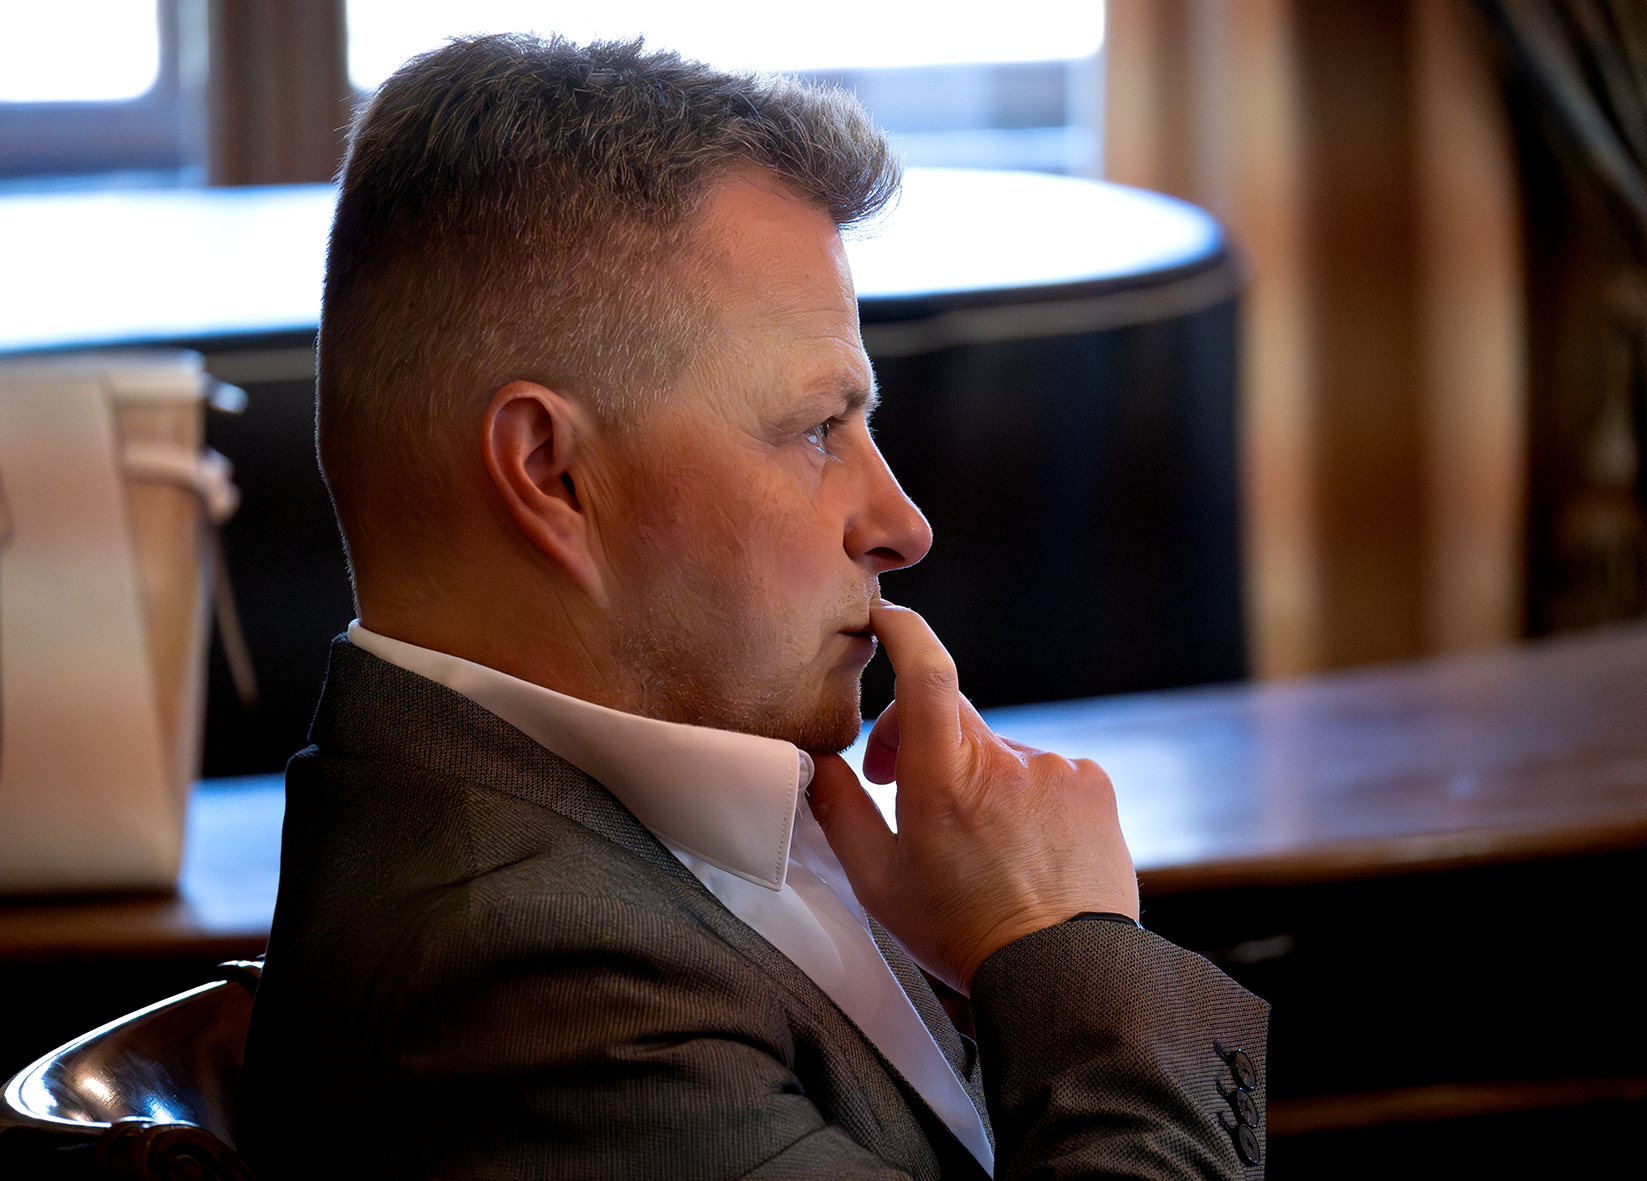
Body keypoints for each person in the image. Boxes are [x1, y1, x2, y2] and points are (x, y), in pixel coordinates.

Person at [239, 33, 1270, 1180]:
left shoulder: (670, 830)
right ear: (551, 471)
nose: (902, 524)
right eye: (818, 429)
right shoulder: (521, 980)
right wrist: (1064, 946)